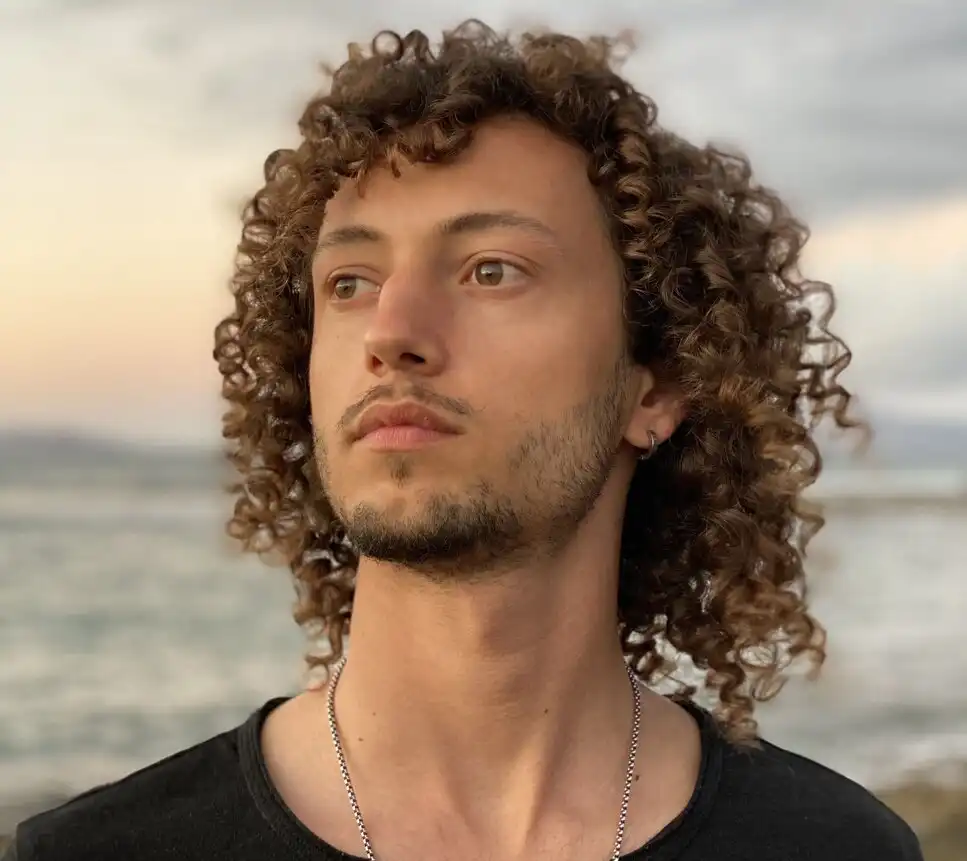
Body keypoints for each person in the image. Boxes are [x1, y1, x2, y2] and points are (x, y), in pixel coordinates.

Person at [7, 21, 922, 861]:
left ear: (659, 384)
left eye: (492, 269)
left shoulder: (835, 847)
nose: (391, 331)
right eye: (351, 282)